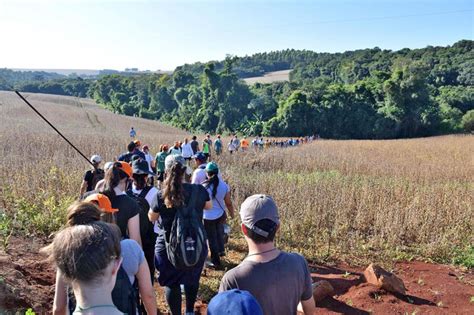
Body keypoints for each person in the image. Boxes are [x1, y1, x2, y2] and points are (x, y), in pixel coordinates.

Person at [52, 200, 157, 315]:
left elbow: (58, 307)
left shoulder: (68, 254)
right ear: (115, 267)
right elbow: (148, 295)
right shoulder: (130, 248)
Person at [219, 194, 316, 315]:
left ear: (243, 228)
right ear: (278, 227)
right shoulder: (298, 262)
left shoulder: (232, 279)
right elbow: (310, 310)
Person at [148, 154, 212, 315]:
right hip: (195, 242)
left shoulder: (161, 194)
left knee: (172, 283)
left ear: (166, 172)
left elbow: (152, 217)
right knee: (192, 279)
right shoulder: (198, 190)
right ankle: (189, 311)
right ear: (185, 170)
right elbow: (209, 207)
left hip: (168, 246)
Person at [129, 158, 159, 282]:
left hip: (130, 239)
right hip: (149, 239)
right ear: (146, 176)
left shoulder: (126, 193)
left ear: (132, 176)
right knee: (149, 267)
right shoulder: (154, 192)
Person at [99, 161, 142, 246]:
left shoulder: (92, 196)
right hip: (117, 252)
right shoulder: (130, 204)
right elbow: (135, 240)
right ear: (125, 180)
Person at [202, 162, 235, 268]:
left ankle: (215, 261)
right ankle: (221, 251)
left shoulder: (203, 187)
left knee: (211, 239)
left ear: (207, 173)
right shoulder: (224, 185)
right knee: (219, 234)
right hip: (220, 215)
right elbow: (228, 203)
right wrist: (232, 215)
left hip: (207, 217)